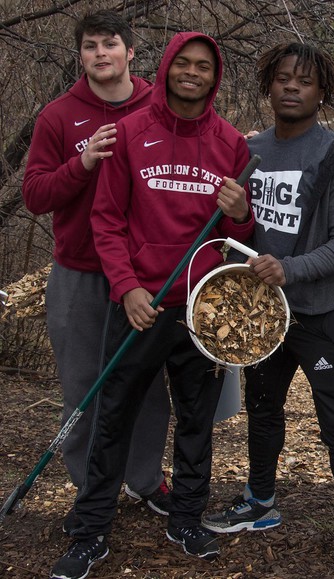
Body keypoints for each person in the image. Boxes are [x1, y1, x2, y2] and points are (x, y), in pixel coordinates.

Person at [49, 32, 253, 579]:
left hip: (201, 309)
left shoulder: (231, 143)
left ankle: (186, 516)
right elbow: (107, 221)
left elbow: (236, 233)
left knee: (196, 420)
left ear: (216, 76)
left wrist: (237, 213)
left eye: (203, 67)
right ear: (164, 68)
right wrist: (127, 287)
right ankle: (91, 529)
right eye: (182, 63)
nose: (191, 73)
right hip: (143, 304)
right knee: (112, 416)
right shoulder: (131, 133)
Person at [200, 42, 334, 579]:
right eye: (282, 78)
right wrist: (238, 218)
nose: (291, 87)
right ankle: (260, 501)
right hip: (262, 316)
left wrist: (291, 269)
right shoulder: (251, 150)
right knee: (262, 409)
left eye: (303, 81)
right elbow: (242, 235)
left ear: (321, 91)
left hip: (323, 314)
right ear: (268, 84)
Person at [21, 10, 172, 533]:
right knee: (84, 384)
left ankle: (147, 480)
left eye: (111, 44)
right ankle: (91, 489)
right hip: (80, 271)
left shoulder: (160, 102)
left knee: (148, 384)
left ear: (132, 52)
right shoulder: (59, 116)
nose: (101, 54)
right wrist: (81, 163)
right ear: (80, 55)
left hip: (147, 271)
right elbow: (35, 195)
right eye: (91, 46)